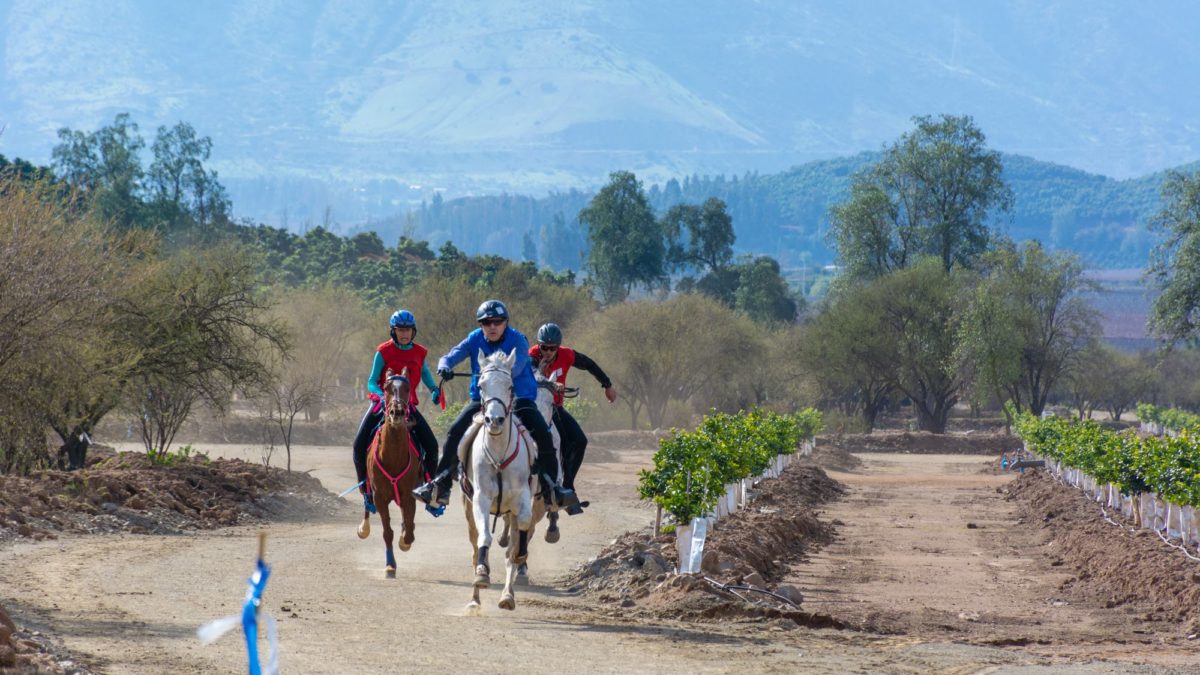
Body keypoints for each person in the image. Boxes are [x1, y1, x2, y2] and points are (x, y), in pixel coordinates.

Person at [412, 299, 581, 513]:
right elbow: (450, 355)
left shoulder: (518, 340)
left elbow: (517, 367)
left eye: (497, 322)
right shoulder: (474, 338)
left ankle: (552, 489)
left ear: (505, 323)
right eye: (486, 322)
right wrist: (445, 366)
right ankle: (441, 484)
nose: (492, 326)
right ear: (481, 325)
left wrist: (496, 372)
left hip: (519, 398)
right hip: (485, 400)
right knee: (455, 431)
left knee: (543, 433)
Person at [351, 310, 441, 514]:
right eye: (400, 330)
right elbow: (372, 381)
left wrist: (434, 389)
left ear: (413, 331)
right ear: (393, 331)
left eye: (407, 329)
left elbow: (425, 374)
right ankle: (366, 489)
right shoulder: (383, 351)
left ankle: (428, 489)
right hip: (382, 405)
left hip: (407, 406)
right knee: (359, 444)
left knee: (433, 446)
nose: (404, 334)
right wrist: (382, 397)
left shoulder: (420, 352)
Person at [529, 322, 617, 494]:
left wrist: (607, 385)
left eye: (552, 348)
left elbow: (589, 364)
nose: (547, 352)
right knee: (560, 442)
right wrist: (550, 382)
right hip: (536, 408)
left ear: (558, 347)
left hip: (555, 407)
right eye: (544, 347)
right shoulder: (532, 355)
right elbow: (534, 373)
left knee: (579, 441)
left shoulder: (567, 354)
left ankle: (567, 486)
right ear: (539, 345)